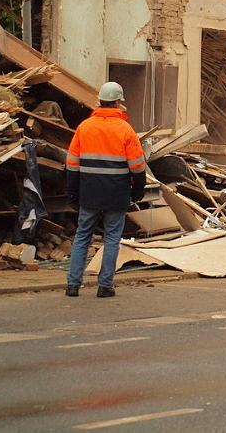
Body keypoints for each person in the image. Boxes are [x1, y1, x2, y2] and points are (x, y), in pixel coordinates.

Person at [65, 82, 147, 298]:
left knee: (82, 236)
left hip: (89, 192)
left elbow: (71, 164)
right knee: (111, 238)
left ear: (99, 101)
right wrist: (138, 191)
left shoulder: (84, 127)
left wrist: (72, 192)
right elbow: (138, 167)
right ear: (119, 102)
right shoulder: (125, 130)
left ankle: (73, 285)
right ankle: (105, 286)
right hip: (116, 193)